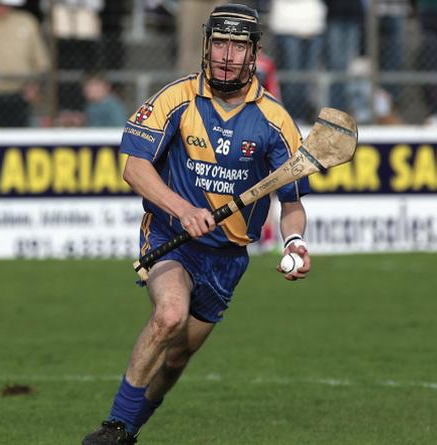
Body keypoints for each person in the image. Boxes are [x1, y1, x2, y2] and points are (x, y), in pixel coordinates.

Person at [81, 4, 311, 444]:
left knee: (177, 358)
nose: (227, 55)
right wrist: (180, 208)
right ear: (207, 47)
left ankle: (131, 427)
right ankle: (115, 427)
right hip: (171, 239)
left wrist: (295, 240)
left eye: (237, 46)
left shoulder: (276, 121)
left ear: (253, 53)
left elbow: (291, 200)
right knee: (169, 316)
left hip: (227, 258)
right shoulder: (177, 97)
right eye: (220, 44)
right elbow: (134, 167)